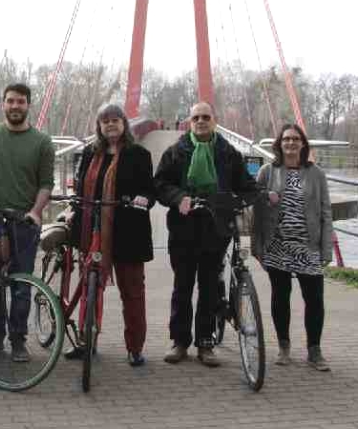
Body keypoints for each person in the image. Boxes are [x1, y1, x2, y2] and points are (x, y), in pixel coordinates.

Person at [154, 101, 258, 367]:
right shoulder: (176, 152)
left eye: (206, 117)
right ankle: (179, 342)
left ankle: (205, 343)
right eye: (196, 117)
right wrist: (178, 198)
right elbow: (160, 184)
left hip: (215, 229)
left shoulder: (228, 152)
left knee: (210, 288)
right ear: (190, 122)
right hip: (183, 228)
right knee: (182, 287)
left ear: (214, 121)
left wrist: (234, 200)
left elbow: (247, 186)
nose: (201, 121)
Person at [0, 83, 55, 362]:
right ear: (3, 104)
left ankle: (18, 340)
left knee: (21, 285)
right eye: (10, 101)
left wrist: (36, 211)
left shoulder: (42, 142)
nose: (15, 106)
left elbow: (46, 184)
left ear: (28, 105)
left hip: (24, 223)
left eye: (20, 102)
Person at [68, 103, 155, 366]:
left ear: (124, 124)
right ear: (99, 126)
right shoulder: (89, 153)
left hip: (129, 232)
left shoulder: (139, 154)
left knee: (133, 293)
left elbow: (150, 192)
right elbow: (80, 187)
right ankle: (87, 341)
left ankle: (135, 347)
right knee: (88, 288)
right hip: (93, 230)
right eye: (105, 121)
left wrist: (143, 199)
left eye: (115, 120)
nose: (110, 125)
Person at [252, 123, 333, 371]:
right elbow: (256, 208)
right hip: (278, 245)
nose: (291, 143)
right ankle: (284, 347)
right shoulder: (268, 171)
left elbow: (326, 211)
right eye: (286, 139)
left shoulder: (316, 174)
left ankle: (314, 351)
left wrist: (326, 248)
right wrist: (258, 247)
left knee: (315, 299)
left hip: (308, 246)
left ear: (303, 144)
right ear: (279, 143)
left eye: (296, 139)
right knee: (280, 297)